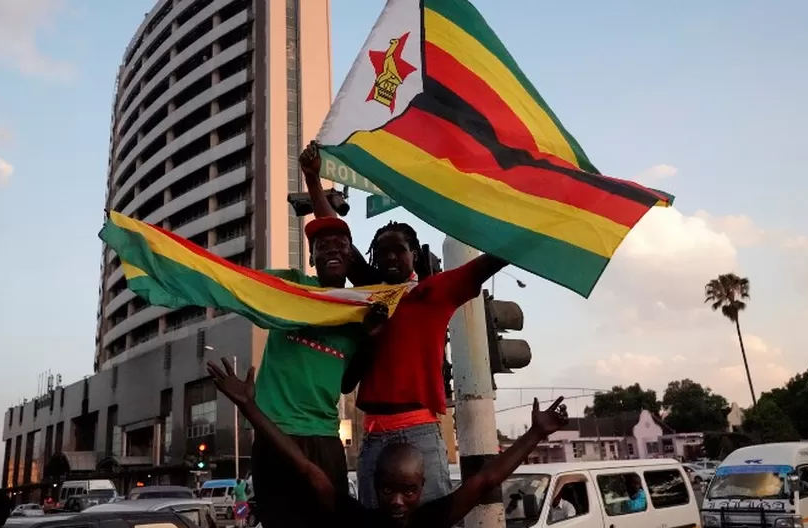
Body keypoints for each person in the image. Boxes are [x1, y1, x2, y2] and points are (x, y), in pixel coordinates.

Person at [300, 142, 510, 506]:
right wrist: (313, 179)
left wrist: (532, 227)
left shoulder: (434, 292)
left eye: (398, 249)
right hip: (372, 433)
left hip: (421, 434)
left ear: (414, 254)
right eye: (381, 251)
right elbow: (333, 237)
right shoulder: (371, 294)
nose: (390, 257)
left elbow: (490, 261)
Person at [207, 357, 569, 528]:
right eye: (387, 490)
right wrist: (249, 408)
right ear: (375, 487)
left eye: (408, 491)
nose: (396, 501)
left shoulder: (432, 518)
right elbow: (304, 466)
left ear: (422, 487)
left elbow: (486, 480)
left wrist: (536, 434)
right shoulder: (356, 518)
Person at [250, 214, 389, 528]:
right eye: (322, 246)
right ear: (311, 257)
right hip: (276, 432)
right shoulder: (292, 286)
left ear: (350, 255)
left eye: (341, 245)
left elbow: (347, 383)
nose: (332, 251)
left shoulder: (359, 312)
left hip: (325, 439)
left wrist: (371, 337)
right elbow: (245, 286)